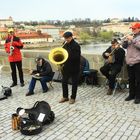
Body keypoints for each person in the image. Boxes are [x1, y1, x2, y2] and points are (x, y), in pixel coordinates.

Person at [59, 31, 81, 104]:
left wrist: (67, 55)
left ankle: (73, 98)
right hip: (66, 67)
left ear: (71, 37)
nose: (66, 39)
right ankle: (65, 97)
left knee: (74, 83)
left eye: (67, 38)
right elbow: (62, 54)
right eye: (65, 38)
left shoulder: (76, 45)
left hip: (74, 67)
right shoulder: (65, 44)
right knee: (64, 82)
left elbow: (77, 57)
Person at [122, 23, 140, 104]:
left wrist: (132, 39)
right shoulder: (131, 36)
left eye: (134, 28)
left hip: (138, 62)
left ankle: (138, 97)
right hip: (129, 62)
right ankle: (131, 95)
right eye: (132, 28)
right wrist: (125, 41)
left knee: (138, 80)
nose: (132, 30)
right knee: (131, 80)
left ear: (139, 29)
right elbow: (124, 46)